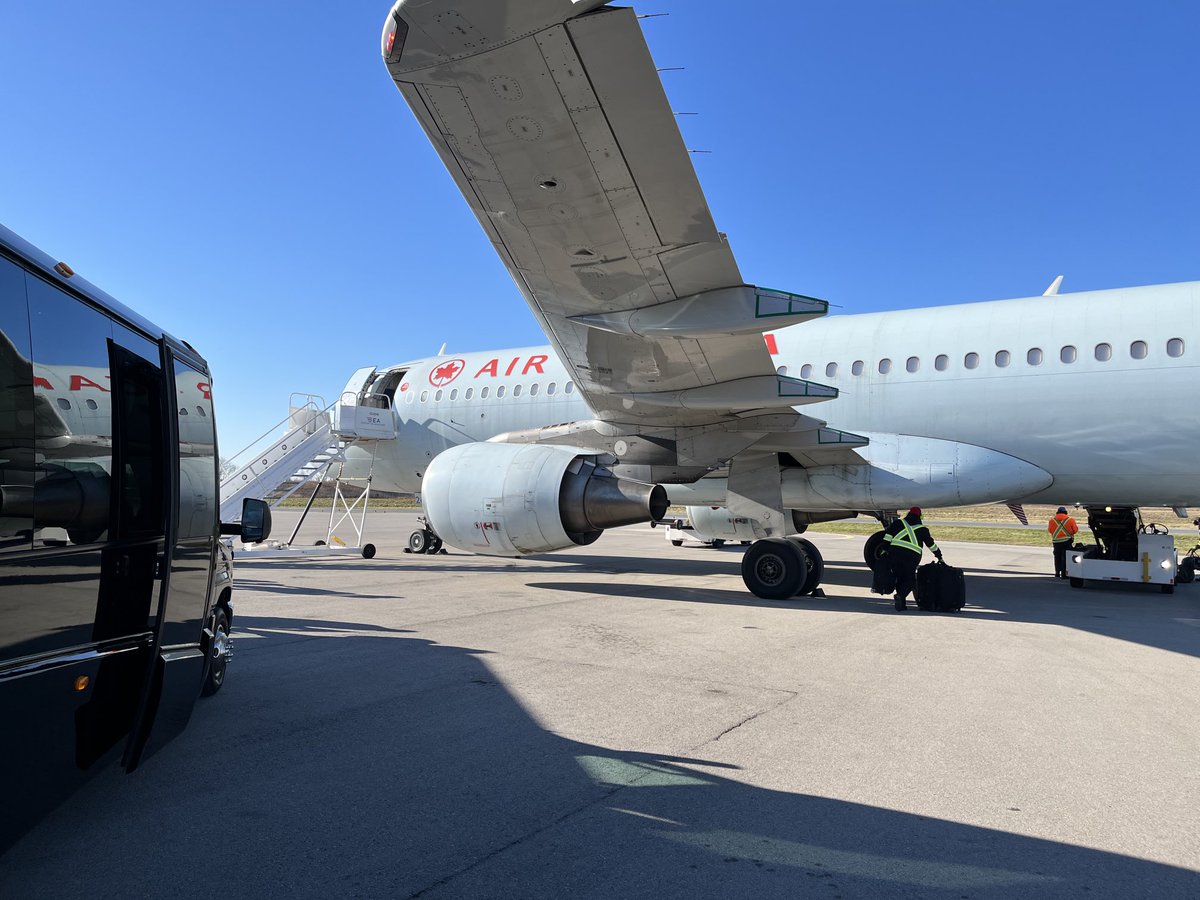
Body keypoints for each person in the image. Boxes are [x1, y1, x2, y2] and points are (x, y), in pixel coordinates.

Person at [883, 507, 942, 611]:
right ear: (920, 517)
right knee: (910, 580)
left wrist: (884, 552)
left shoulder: (897, 524)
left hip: (895, 555)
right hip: (911, 557)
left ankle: (902, 604)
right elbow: (931, 544)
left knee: (900, 577)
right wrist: (939, 555)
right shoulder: (923, 530)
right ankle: (900, 596)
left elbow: (887, 539)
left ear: (908, 514)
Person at [1047, 506, 1079, 578]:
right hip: (1066, 541)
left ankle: (1057, 572)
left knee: (1057, 557)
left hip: (1056, 542)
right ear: (1066, 513)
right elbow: (1075, 530)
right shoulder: (1070, 520)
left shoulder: (1052, 521)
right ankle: (1064, 574)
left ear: (1057, 512)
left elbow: (1050, 530)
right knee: (1065, 557)